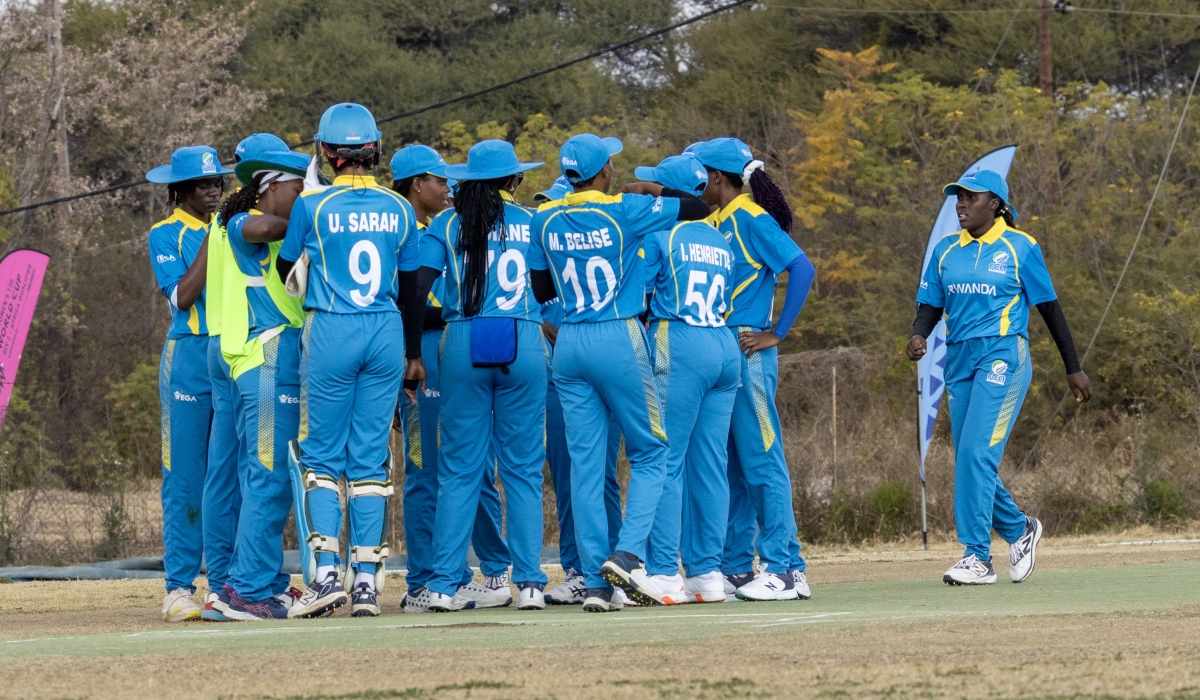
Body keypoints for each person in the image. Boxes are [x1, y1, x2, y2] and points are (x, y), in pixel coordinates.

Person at [528, 133, 711, 612]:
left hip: (568, 343)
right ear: (604, 172)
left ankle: (593, 582)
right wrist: (655, 192)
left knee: (587, 469)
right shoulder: (623, 208)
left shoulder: (544, 216)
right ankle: (627, 557)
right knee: (653, 451)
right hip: (617, 335)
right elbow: (694, 209)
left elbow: (540, 281)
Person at [907, 169, 1091, 585]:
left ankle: (977, 557)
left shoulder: (1020, 246)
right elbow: (930, 304)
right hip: (959, 360)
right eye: (958, 198)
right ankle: (1019, 529)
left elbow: (1050, 309)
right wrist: (919, 334)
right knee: (970, 460)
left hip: (1004, 355)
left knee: (975, 455)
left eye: (971, 198)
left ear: (995, 205)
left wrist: (1072, 367)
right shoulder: (945, 250)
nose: (961, 204)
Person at [277, 103, 423, 618]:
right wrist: (411, 354)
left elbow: (283, 266)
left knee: (320, 457)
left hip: (332, 328)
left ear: (325, 153)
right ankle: (366, 581)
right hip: (385, 331)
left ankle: (324, 576)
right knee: (370, 457)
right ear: (374, 151)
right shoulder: (400, 209)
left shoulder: (311, 207)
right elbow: (410, 288)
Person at [408, 139, 549, 612]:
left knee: (459, 471)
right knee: (523, 471)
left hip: (463, 341)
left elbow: (417, 288)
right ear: (513, 181)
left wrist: (412, 352)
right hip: (522, 339)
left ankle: (445, 586)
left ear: (467, 179)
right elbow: (546, 289)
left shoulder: (447, 222)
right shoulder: (533, 221)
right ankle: (529, 583)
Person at [389, 144, 513, 612]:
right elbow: (405, 302)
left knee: (473, 467)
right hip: (424, 354)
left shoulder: (455, 225)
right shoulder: (404, 229)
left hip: (454, 350)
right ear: (416, 184)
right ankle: (426, 579)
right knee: (426, 470)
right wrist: (405, 362)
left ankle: (483, 570)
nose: (449, 187)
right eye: (440, 180)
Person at [693, 137, 816, 601]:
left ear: (719, 179)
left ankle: (785, 568)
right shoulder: (713, 220)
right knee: (734, 464)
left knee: (763, 459)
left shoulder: (750, 217)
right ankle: (739, 566)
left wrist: (777, 332)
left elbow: (801, 269)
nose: (698, 182)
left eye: (702, 174)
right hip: (720, 349)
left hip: (749, 347)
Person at [208, 146, 310, 620]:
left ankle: (263, 581)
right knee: (268, 478)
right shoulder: (242, 222)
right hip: (266, 359)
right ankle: (246, 591)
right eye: (298, 190)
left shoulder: (280, 231)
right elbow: (264, 228)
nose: (305, 198)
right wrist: (315, 218)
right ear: (271, 187)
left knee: (267, 478)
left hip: (273, 359)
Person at [635, 154, 741, 605]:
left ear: (668, 191)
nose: (650, 192)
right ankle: (707, 573)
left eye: (655, 187)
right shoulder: (719, 238)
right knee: (710, 464)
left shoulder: (662, 233)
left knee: (665, 459)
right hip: (723, 345)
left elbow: (638, 295)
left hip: (678, 341)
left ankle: (663, 571)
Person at [146, 145, 233, 622]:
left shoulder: (234, 224)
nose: (214, 189)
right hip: (188, 356)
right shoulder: (165, 233)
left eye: (217, 181)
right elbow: (182, 295)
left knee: (230, 473)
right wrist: (214, 236)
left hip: (232, 353)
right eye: (203, 184)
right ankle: (179, 587)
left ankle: (227, 583)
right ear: (179, 190)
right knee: (185, 476)